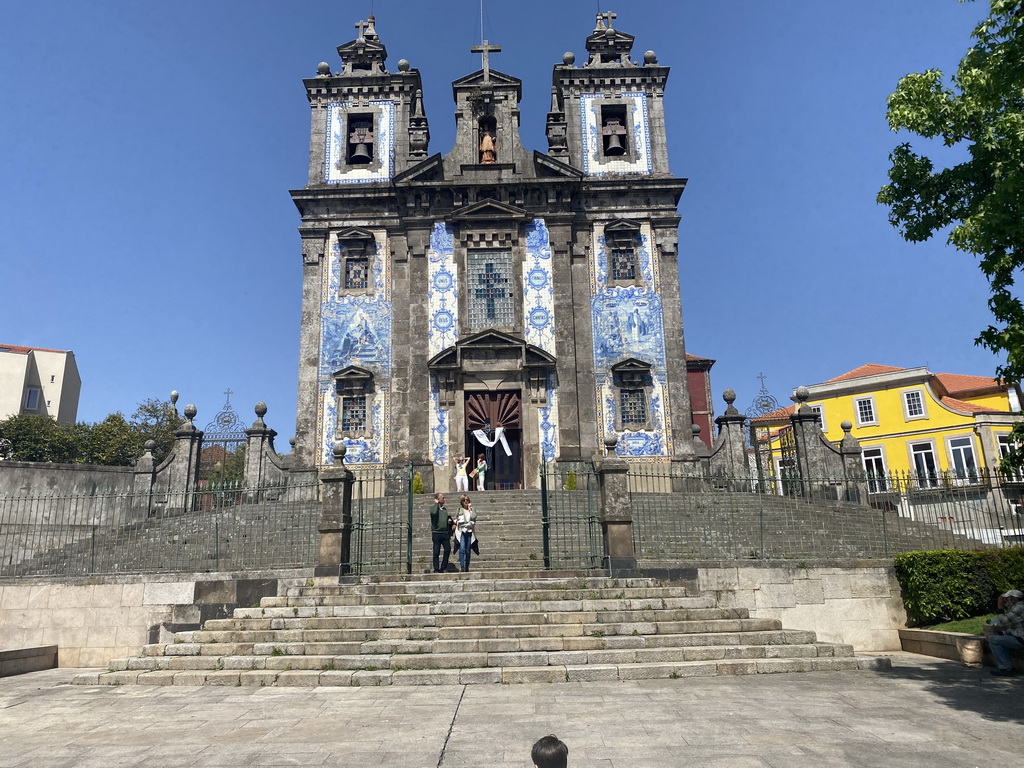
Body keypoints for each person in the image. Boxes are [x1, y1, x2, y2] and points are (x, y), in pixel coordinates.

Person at [987, 589, 1024, 676]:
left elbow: (1004, 621)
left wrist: (1000, 607)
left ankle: (1005, 667)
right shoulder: (1018, 606)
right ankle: (1008, 665)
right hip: (1018, 635)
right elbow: (1011, 625)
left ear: (1014, 598)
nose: (1006, 601)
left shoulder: (1019, 608)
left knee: (993, 640)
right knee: (999, 633)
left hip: (1021, 639)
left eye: (1007, 599)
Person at [454, 494, 477, 573]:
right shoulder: (459, 509)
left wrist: (470, 509)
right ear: (461, 502)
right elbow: (456, 519)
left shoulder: (472, 509)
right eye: (464, 500)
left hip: (469, 531)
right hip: (462, 531)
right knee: (462, 549)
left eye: (467, 500)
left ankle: (467, 566)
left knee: (468, 550)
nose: (466, 501)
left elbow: (474, 517)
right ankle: (462, 566)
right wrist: (456, 520)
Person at [429, 492, 451, 573]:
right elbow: (434, 513)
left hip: (445, 533)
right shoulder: (433, 508)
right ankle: (436, 568)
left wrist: (449, 521)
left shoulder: (444, 510)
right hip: (436, 533)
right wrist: (436, 504)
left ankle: (443, 567)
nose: (444, 499)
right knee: (436, 551)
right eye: (443, 498)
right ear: (438, 499)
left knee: (448, 549)